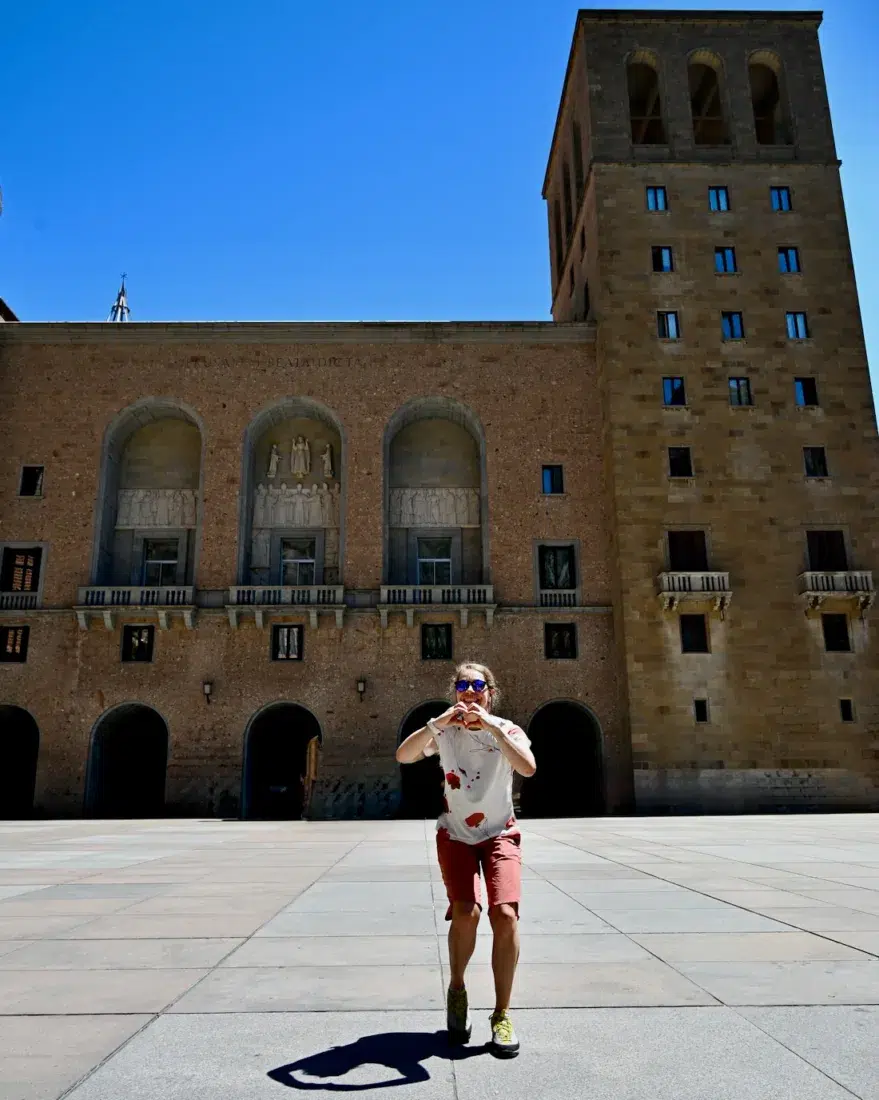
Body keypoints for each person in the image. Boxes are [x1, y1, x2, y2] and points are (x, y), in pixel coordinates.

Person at [396, 662, 536, 1058]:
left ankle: (502, 1014)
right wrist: (437, 723)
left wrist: (490, 727)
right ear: (455, 692)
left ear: (490, 692)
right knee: (466, 911)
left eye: (478, 685)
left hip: (499, 833)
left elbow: (528, 766)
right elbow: (403, 756)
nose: (470, 692)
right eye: (463, 685)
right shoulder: (445, 733)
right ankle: (457, 989)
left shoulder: (507, 730)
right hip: (455, 834)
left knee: (505, 913)